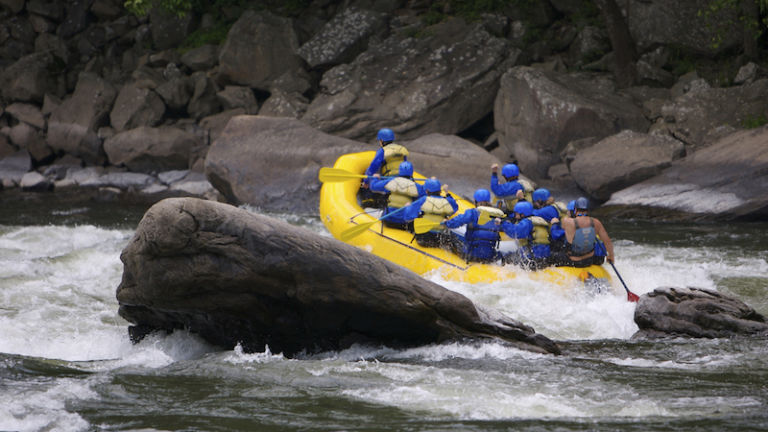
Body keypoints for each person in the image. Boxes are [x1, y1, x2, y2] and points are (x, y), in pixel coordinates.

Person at [442, 188, 506, 263]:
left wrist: (446, 223)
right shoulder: (497, 215)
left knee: (451, 237)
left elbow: (456, 222)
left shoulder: (472, 213)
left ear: (475, 202)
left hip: (472, 255)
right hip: (489, 256)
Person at [402, 178, 459, 248]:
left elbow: (407, 217)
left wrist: (408, 207)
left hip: (423, 238)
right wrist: (447, 193)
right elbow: (455, 207)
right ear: (439, 191)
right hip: (439, 238)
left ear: (427, 191)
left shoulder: (423, 200)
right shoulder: (447, 201)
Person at [360, 128, 410, 208]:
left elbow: (373, 167)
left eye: (379, 140)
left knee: (369, 176)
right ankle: (385, 199)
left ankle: (368, 200)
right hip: (404, 179)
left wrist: (366, 181)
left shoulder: (382, 151)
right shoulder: (401, 149)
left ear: (382, 141)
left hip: (389, 180)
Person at [558, 197, 614, 267]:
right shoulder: (596, 223)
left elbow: (558, 231)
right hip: (589, 260)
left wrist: (554, 222)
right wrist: (611, 256)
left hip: (572, 261)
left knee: (551, 256)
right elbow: (607, 241)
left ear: (575, 210)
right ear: (588, 210)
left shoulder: (567, 221)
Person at [369, 161, 425, 230]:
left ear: (399, 171)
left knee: (370, 209)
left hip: (388, 219)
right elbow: (426, 198)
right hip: (404, 223)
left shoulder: (391, 181)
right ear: (411, 172)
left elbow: (373, 186)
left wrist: (375, 178)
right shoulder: (417, 187)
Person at [502, 201, 554, 269]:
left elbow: (515, 232)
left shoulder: (527, 223)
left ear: (522, 214)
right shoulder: (539, 221)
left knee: (506, 257)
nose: (515, 216)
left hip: (531, 260)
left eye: (516, 214)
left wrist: (503, 223)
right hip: (544, 259)